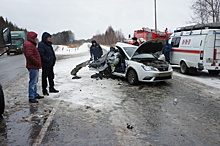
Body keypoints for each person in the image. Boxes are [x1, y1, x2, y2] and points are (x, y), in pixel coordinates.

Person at [23, 32, 44, 103]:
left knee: (35, 81)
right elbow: (29, 55)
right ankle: (31, 97)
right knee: (33, 82)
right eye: (35, 37)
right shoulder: (28, 44)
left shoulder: (31, 44)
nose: (37, 39)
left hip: (35, 66)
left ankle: (35, 94)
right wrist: (37, 62)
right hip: (33, 66)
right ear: (32, 38)